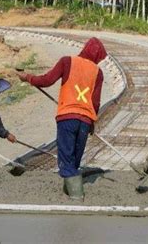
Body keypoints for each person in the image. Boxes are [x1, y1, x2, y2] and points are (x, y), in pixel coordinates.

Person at [17, 37, 107, 200]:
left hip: (67, 117)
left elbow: (46, 80)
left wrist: (28, 77)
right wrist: (92, 122)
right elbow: (95, 102)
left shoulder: (67, 61)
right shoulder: (97, 72)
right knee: (74, 160)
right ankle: (69, 191)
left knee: (66, 159)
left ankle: (76, 196)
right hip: (85, 120)